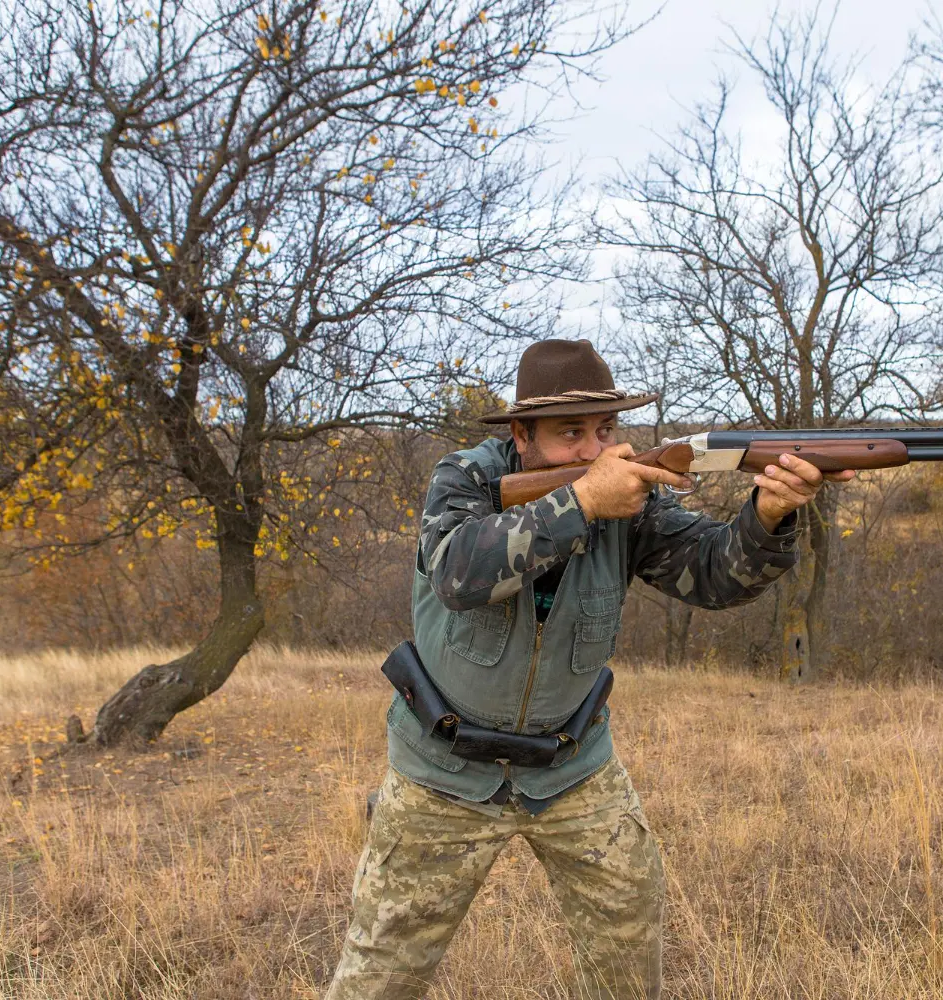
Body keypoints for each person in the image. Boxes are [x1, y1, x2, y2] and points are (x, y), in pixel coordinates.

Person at [325, 339, 849, 1000]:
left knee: (627, 945)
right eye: (570, 433)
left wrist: (769, 515)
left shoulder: (632, 498)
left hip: (573, 768)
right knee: (380, 974)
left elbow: (716, 576)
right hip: (442, 773)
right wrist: (580, 504)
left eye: (605, 430)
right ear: (521, 434)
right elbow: (460, 573)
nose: (594, 449)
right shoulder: (466, 478)